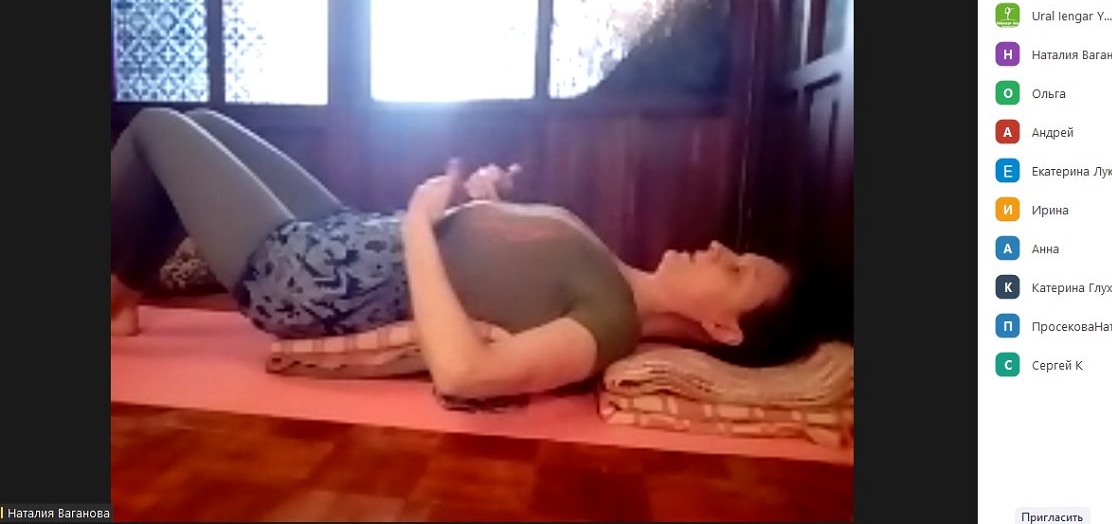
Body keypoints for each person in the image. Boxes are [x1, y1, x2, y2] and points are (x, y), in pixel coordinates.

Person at [111, 108, 807, 401]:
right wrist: (486, 201)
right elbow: (494, 266)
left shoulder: (610, 322)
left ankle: (108, 297)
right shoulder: (610, 270)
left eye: (736, 269)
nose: (719, 248)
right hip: (345, 232)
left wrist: (422, 223)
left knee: (155, 129)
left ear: (723, 328)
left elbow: (466, 373)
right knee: (200, 124)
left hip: (308, 277)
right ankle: (119, 303)